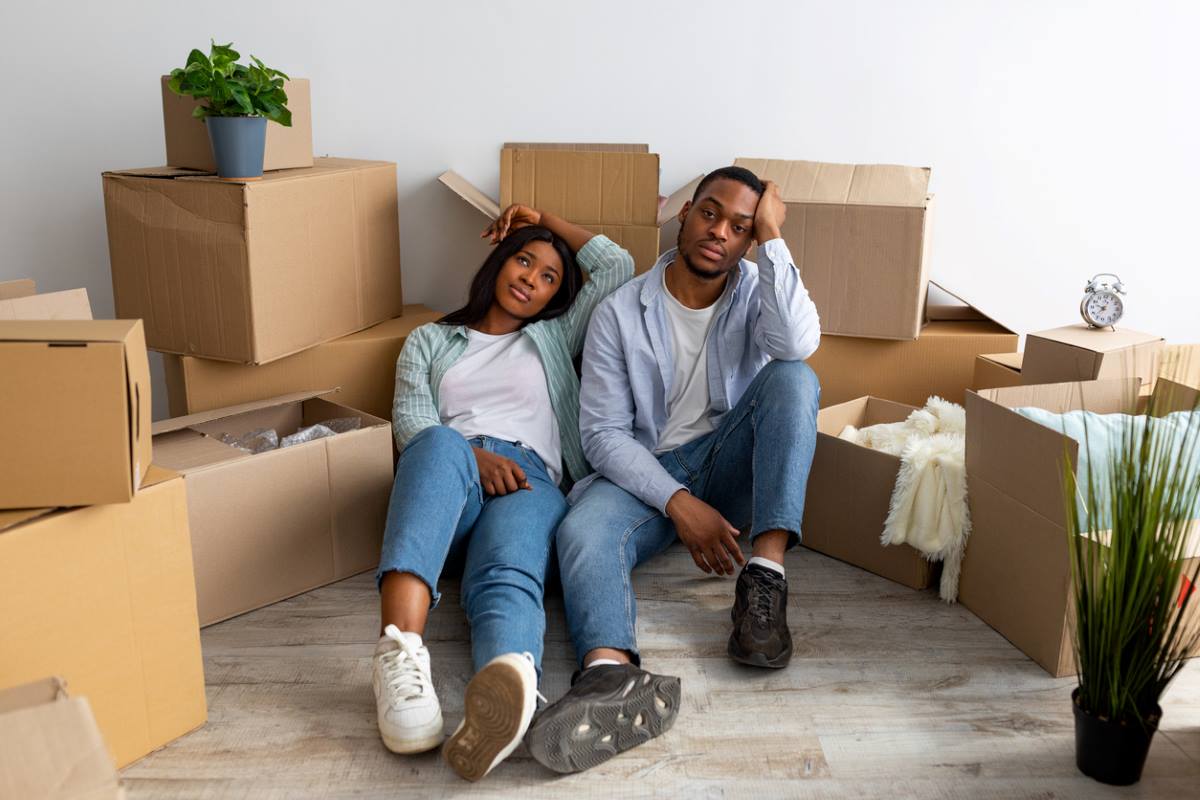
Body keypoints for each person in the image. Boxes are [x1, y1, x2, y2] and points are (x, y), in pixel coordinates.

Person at [525, 166, 822, 773]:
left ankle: (764, 580)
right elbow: (603, 435)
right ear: (685, 213)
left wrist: (773, 240)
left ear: (748, 242)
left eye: (740, 227)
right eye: (710, 213)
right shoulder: (619, 311)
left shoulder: (758, 290)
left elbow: (795, 345)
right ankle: (610, 676)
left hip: (731, 461)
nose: (719, 232)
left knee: (794, 377)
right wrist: (677, 502)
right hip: (648, 473)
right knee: (580, 530)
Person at [371, 205, 634, 782]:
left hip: (531, 479)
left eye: (548, 278)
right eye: (523, 259)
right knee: (439, 441)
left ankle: (512, 693)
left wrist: (544, 221)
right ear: (498, 261)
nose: (531, 279)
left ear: (553, 300)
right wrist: (473, 455)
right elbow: (411, 423)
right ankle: (399, 657)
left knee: (509, 568)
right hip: (451, 480)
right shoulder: (430, 340)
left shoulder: (554, 337)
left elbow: (616, 266)